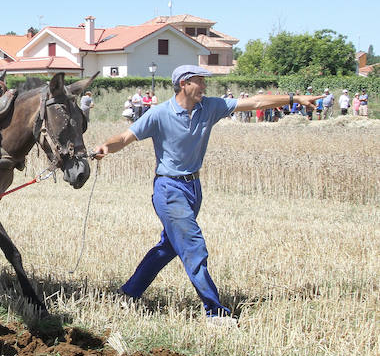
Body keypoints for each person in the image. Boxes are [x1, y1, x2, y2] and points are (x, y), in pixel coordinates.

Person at [93, 65, 321, 325]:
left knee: (169, 247)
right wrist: (106, 147)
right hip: (168, 189)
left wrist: (294, 98)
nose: (204, 86)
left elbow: (255, 102)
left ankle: (129, 293)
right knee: (193, 247)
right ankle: (215, 312)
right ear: (183, 84)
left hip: (193, 187)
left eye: (203, 81)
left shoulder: (210, 107)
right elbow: (125, 137)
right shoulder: (159, 114)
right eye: (199, 81)